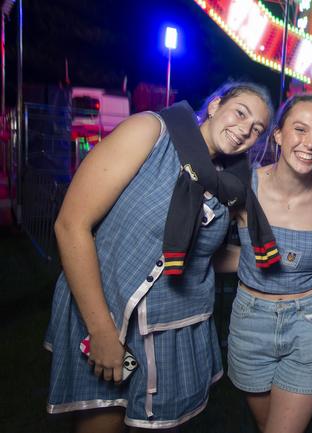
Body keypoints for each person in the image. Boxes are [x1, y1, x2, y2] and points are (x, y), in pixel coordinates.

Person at [44, 81, 274, 431]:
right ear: (214, 105)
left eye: (257, 129)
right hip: (107, 310)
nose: (245, 130)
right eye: (240, 113)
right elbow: (71, 224)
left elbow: (197, 256)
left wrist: (279, 262)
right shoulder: (152, 131)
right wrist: (102, 331)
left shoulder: (229, 184)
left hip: (170, 326)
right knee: (100, 424)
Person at [227, 93, 312, 433]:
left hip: (308, 322)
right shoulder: (244, 186)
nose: (309, 144)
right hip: (250, 321)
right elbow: (210, 252)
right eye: (299, 130)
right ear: (278, 135)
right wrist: (251, 260)